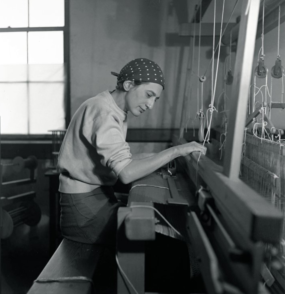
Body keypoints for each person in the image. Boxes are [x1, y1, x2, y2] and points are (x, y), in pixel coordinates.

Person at [57, 58, 206, 248]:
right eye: (149, 95)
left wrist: (156, 156)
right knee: (157, 242)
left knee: (154, 232)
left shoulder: (110, 108)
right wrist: (176, 151)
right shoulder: (104, 113)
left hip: (93, 197)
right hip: (83, 208)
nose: (151, 105)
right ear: (128, 85)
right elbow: (127, 173)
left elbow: (120, 159)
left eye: (155, 99)